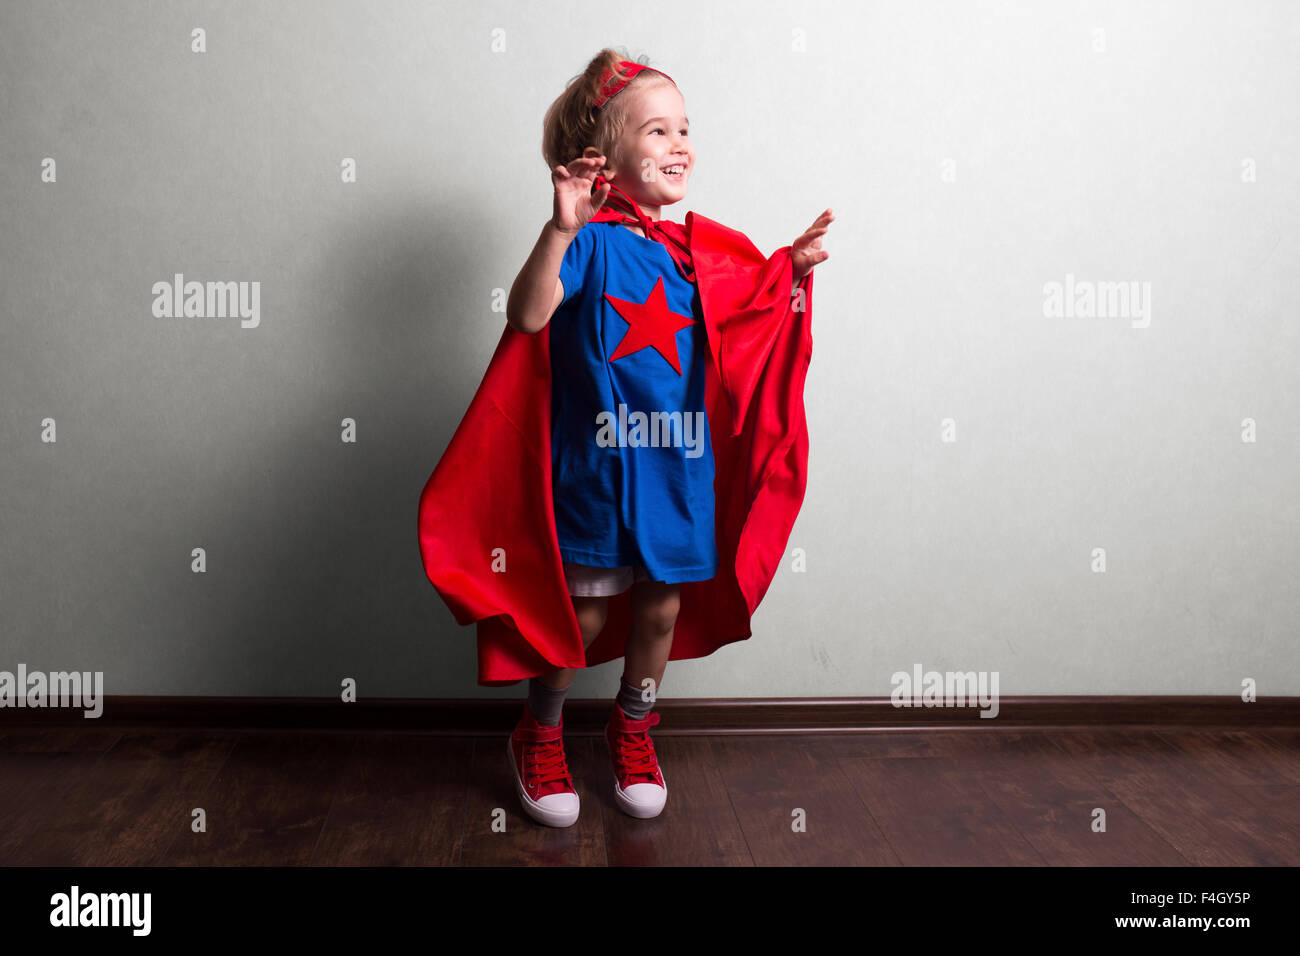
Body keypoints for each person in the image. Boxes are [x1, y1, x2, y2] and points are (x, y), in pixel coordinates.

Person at [417, 48, 833, 828]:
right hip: (599, 473)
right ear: (604, 156)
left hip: (676, 466)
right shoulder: (591, 243)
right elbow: (530, 316)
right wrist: (557, 228)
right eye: (657, 129)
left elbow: (746, 320)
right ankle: (539, 733)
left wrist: (790, 270)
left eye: (685, 128)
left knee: (662, 612)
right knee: (587, 615)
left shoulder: (690, 251)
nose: (680, 143)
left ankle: (632, 728)